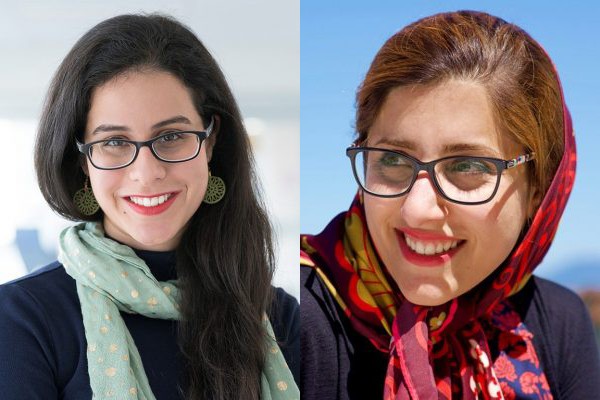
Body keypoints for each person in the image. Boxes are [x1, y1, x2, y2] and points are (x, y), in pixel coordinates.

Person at [301, 10, 600, 399]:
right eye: (392, 160)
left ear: (538, 191)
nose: (417, 209)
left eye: (468, 166)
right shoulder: (296, 320)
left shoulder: (558, 321)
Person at [0, 14, 299, 400]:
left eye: (171, 136)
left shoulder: (283, 320)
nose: (147, 173)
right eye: (114, 142)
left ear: (210, 142)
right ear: (82, 161)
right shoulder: (22, 320)